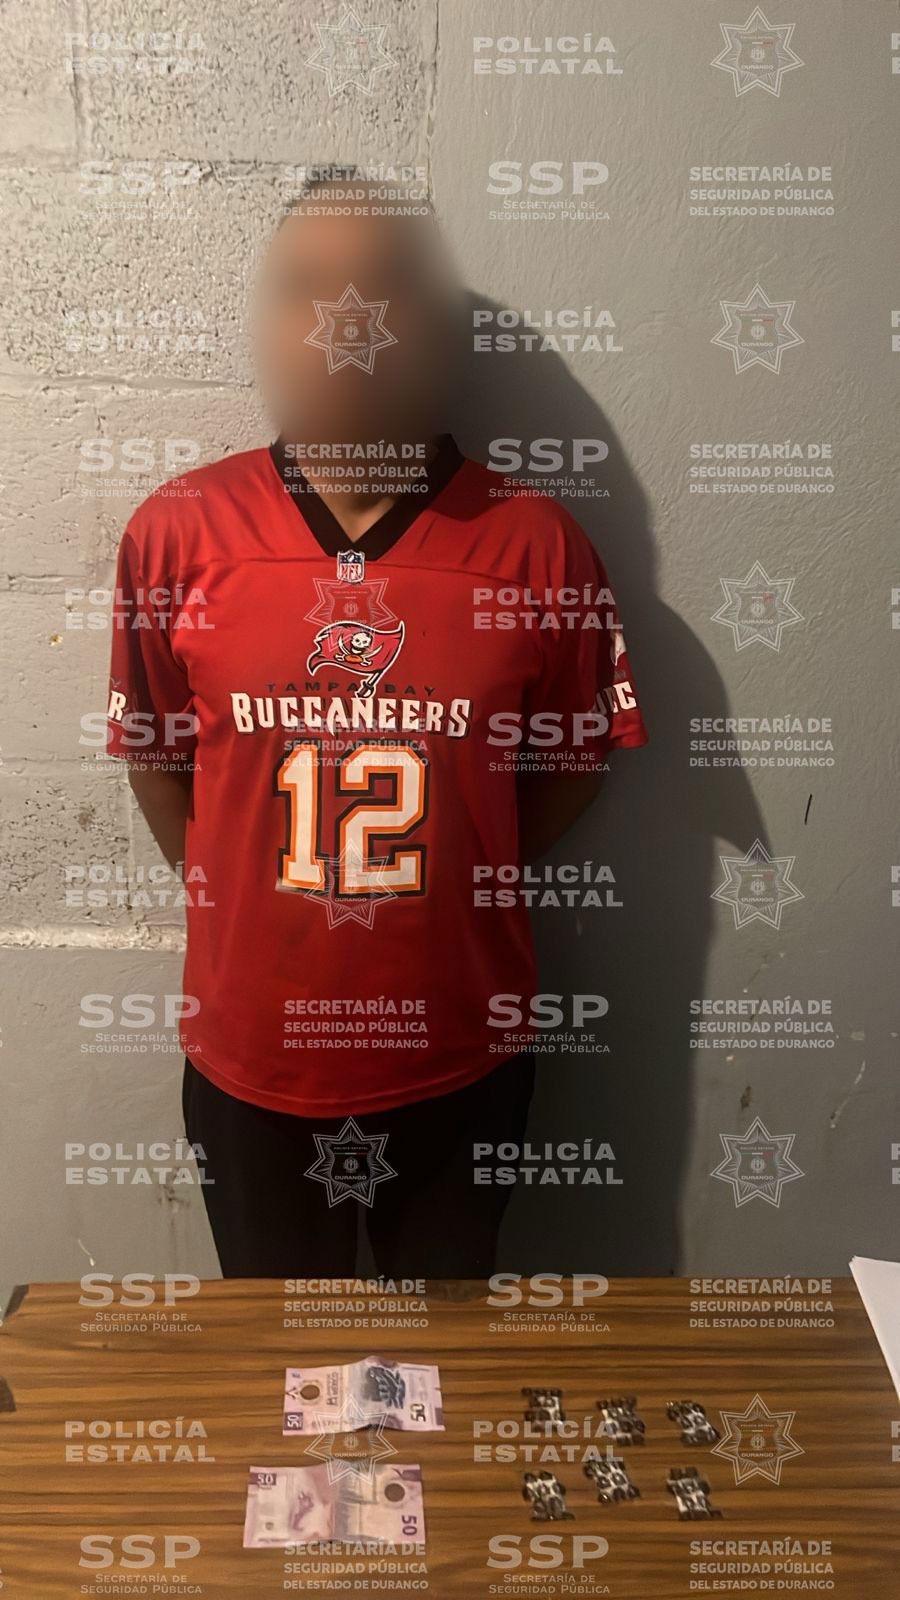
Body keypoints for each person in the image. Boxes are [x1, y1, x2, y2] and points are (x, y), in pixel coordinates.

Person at [106, 173, 648, 1278]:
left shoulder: (536, 545)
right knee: (281, 1360)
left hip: (461, 1052)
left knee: (438, 1364)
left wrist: (447, 873)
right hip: (253, 1056)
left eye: (384, 292)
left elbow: (571, 769)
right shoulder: (178, 533)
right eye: (307, 289)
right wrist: (247, 886)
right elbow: (159, 762)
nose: (344, 329)